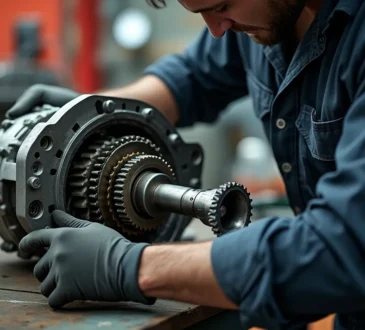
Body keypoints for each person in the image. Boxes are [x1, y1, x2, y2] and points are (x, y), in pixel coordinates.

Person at [9, 0, 365, 329]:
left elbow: (340, 247)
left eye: (221, 5)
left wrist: (129, 266)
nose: (216, 28)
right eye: (199, 12)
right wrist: (93, 111)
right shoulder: (258, 14)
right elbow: (193, 76)